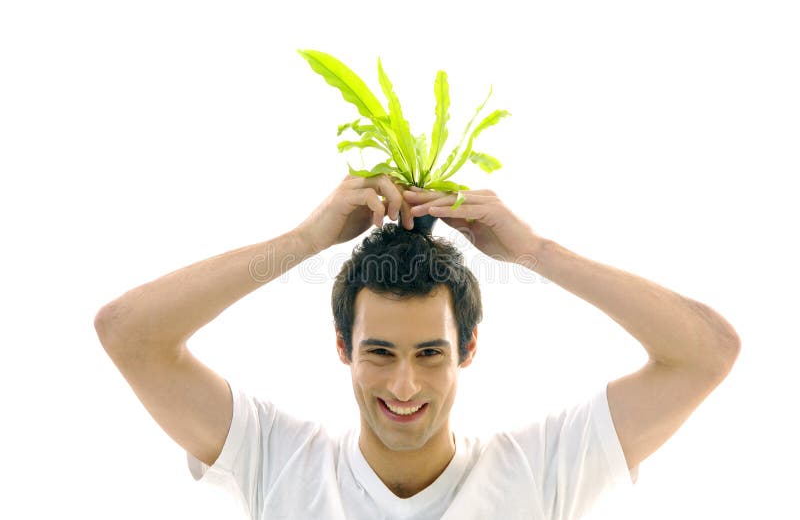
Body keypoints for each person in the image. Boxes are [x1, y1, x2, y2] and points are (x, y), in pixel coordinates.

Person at [94, 173, 741, 519]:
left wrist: (534, 252)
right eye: (381, 353)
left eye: (429, 354)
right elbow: (129, 333)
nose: (404, 386)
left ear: (468, 349)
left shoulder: (544, 469)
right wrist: (303, 241)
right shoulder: (275, 459)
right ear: (344, 347)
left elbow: (707, 352)